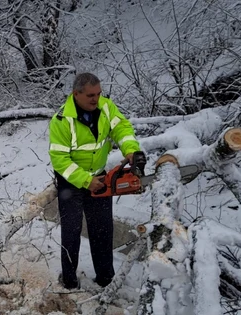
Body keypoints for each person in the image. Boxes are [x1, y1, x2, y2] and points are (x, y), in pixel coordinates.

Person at [48, 72, 141, 289]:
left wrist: (131, 151)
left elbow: (122, 129)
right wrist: (86, 181)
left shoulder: (106, 107)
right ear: (76, 94)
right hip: (71, 180)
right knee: (71, 232)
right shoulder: (62, 120)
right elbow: (59, 160)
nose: (95, 99)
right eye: (90, 95)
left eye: (98, 94)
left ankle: (106, 279)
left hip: (99, 176)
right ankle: (69, 281)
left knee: (102, 230)